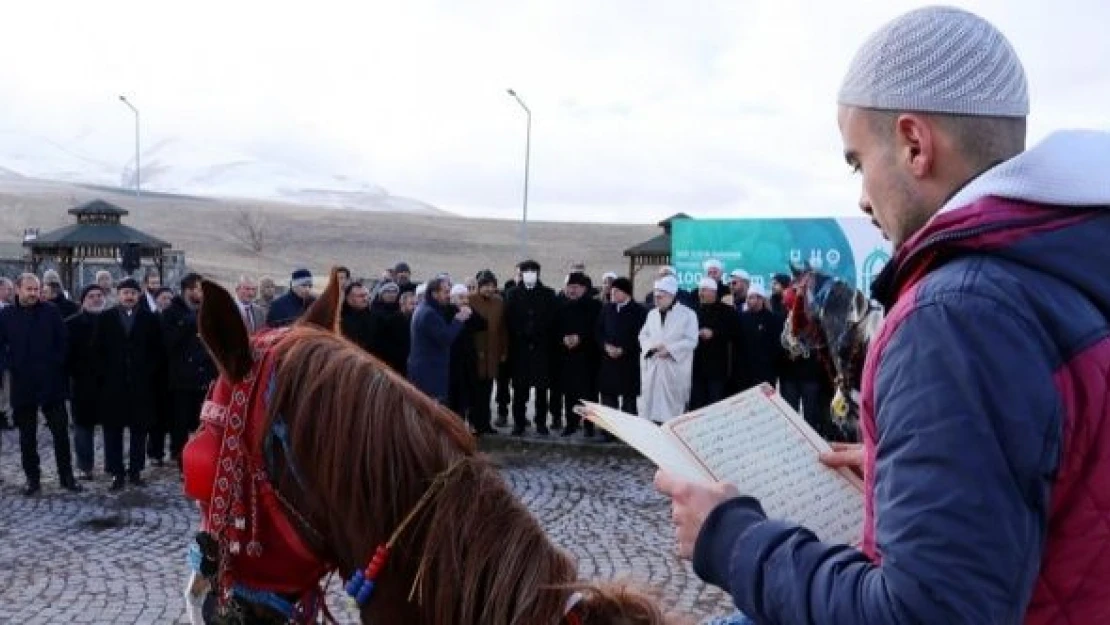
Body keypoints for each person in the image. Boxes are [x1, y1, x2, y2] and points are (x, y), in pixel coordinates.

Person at [656, 7, 1110, 624]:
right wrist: (916, 466)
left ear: (914, 144)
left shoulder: (957, 316)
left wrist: (731, 540)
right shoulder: (1066, 262)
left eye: (857, 161)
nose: (862, 196)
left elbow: (922, 615)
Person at [0, 274, 81, 495]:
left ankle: (67, 477)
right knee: (27, 436)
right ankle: (32, 479)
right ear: (18, 290)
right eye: (29, 289)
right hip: (22, 382)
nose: (34, 293)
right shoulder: (6, 316)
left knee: (60, 433)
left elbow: (63, 341)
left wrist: (56, 362)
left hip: (51, 381)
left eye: (36, 289)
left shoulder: (51, 312)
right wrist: (10, 363)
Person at [637, 275, 698, 423]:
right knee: (650, 406)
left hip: (674, 368)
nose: (656, 300)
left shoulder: (688, 314)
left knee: (673, 410)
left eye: (660, 297)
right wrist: (651, 348)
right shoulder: (652, 314)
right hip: (654, 366)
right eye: (655, 297)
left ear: (671, 296)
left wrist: (670, 350)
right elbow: (643, 335)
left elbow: (691, 340)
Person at [407, 277, 469, 404]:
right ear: (434, 294)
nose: (449, 295)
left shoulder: (426, 308)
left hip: (426, 370)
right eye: (446, 292)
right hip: (429, 373)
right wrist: (459, 319)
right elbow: (445, 338)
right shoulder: (429, 313)